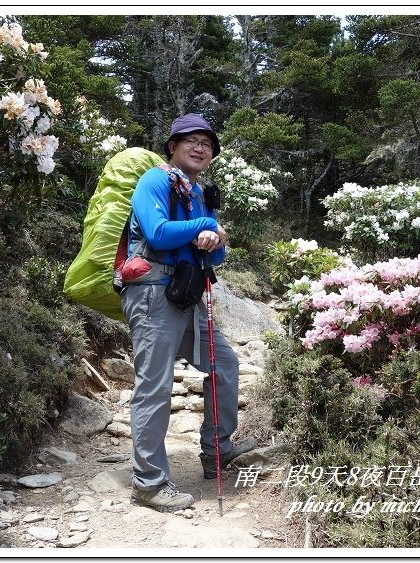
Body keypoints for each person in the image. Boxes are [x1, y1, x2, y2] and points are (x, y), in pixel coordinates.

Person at [119, 113, 256, 512]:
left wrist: (216, 237)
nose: (200, 148)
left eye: (207, 144)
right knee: (155, 385)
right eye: (191, 141)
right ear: (172, 146)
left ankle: (218, 452)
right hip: (152, 293)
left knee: (225, 365)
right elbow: (157, 232)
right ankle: (148, 483)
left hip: (187, 293)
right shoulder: (155, 181)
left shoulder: (197, 193)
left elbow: (218, 253)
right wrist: (205, 225)